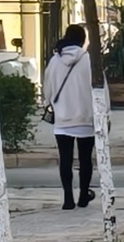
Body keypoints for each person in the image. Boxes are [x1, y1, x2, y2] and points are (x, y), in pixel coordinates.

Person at [42, 24, 98, 208]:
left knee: (65, 158)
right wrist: (104, 114)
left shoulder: (55, 61)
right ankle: (83, 195)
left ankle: (68, 198)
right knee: (85, 159)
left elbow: (47, 88)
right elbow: (99, 88)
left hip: (62, 119)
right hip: (86, 118)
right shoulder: (89, 60)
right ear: (82, 40)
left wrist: (48, 103)